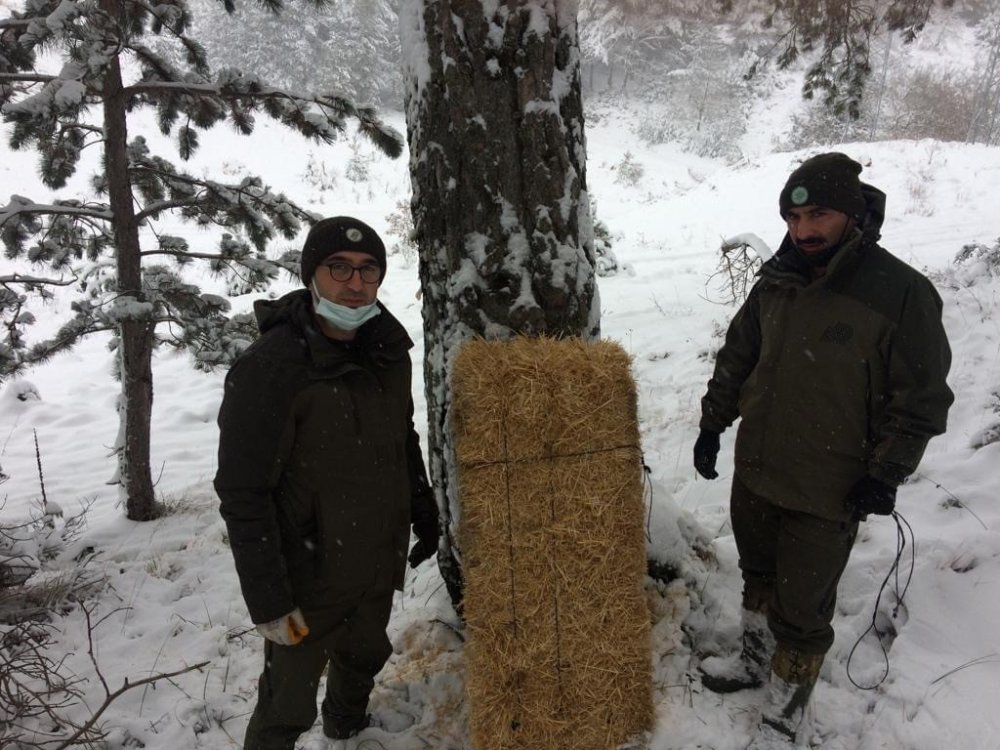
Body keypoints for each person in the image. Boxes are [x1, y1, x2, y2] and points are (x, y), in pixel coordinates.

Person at [693, 153, 953, 748]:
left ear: (852, 214)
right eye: (793, 217)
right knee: (757, 576)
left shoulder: (900, 292)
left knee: (804, 605)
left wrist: (887, 471)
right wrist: (713, 424)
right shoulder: (778, 278)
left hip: (827, 483)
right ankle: (755, 662)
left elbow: (922, 396)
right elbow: (739, 355)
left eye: (819, 214)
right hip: (757, 468)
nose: (804, 230)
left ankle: (787, 709)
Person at [214, 216, 440, 750]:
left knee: (363, 657)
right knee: (286, 703)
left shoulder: (387, 350)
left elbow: (400, 437)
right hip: (306, 575)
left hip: (374, 560)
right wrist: (269, 598)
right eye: (339, 267)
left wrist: (422, 508)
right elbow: (242, 492)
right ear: (311, 273)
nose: (355, 283)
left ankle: (347, 728)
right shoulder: (271, 368)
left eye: (368, 271)